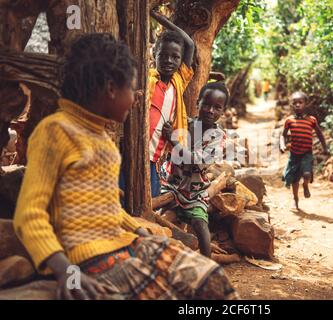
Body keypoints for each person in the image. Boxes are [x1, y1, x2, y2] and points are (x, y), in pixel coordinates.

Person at [13, 33, 238, 300]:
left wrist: (140, 231)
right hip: (91, 257)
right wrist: (65, 272)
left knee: (213, 282)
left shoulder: (104, 142)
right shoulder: (55, 132)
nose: (135, 99)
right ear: (110, 89)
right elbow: (29, 215)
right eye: (132, 89)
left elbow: (107, 207)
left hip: (126, 243)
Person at [160, 82, 228, 258]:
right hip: (171, 186)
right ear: (197, 102)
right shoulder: (185, 123)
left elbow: (198, 162)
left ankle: (207, 262)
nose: (210, 110)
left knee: (200, 223)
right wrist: (169, 132)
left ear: (223, 111)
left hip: (195, 193)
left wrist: (174, 141)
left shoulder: (218, 136)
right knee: (161, 221)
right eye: (206, 104)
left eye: (217, 107)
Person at [147, 9, 195, 197]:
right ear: (154, 56)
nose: (169, 60)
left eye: (175, 57)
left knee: (150, 198)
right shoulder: (147, 79)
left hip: (155, 157)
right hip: (133, 151)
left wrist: (155, 16)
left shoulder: (178, 82)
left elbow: (189, 44)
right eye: (163, 55)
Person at [280, 91, 329, 210]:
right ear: (291, 105)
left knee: (307, 173)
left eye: (300, 102)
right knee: (294, 180)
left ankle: (305, 185)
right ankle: (295, 199)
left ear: (306, 104)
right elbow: (283, 135)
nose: (297, 105)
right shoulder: (289, 120)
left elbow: (320, 134)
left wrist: (325, 147)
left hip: (307, 153)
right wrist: (282, 145)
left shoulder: (311, 120)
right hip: (294, 154)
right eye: (295, 103)